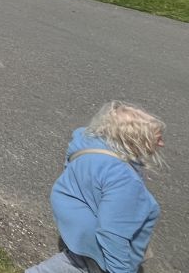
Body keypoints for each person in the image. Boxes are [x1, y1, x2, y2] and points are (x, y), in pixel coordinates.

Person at [27, 101, 164, 273]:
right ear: (136, 139)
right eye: (157, 139)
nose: (161, 144)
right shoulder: (125, 181)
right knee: (78, 265)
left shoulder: (86, 149)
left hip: (76, 226)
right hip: (97, 249)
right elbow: (113, 234)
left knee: (73, 262)